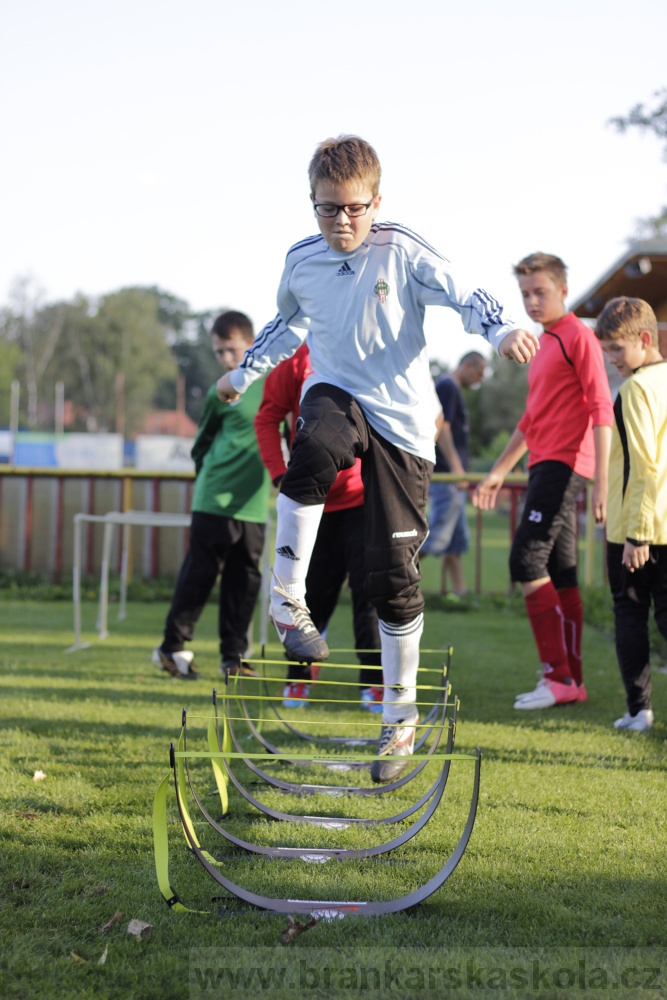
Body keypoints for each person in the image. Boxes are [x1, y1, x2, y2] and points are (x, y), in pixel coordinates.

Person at [216, 135, 537, 781]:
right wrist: (249, 370)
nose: (341, 222)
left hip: (404, 426)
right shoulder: (301, 260)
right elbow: (288, 323)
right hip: (335, 392)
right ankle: (286, 599)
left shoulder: (403, 249)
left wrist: (501, 329)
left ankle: (399, 718)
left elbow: (466, 292)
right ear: (311, 204)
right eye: (328, 209)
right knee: (313, 448)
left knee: (393, 577)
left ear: (376, 201)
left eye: (354, 209)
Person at [473, 253, 613, 710]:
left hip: (565, 466)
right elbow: (531, 419)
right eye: (526, 294)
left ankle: (556, 676)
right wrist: (498, 470)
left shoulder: (579, 338)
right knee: (562, 572)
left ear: (563, 291)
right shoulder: (543, 343)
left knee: (526, 559)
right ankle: (571, 680)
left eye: (541, 292)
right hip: (542, 464)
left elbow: (601, 409)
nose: (532, 301)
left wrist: (603, 484)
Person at [255, 343, 383, 711]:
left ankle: (375, 682)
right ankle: (299, 676)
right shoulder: (295, 359)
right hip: (313, 502)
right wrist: (281, 474)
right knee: (309, 594)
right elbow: (267, 419)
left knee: (370, 593)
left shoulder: (367, 348)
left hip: (363, 499)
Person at [152, 311, 269, 679]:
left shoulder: (274, 384)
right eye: (218, 352)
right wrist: (210, 486)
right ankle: (171, 649)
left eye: (231, 350)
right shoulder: (223, 389)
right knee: (199, 576)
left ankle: (233, 657)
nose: (225, 359)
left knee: (244, 581)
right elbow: (201, 445)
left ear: (250, 345)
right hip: (214, 500)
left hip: (254, 504)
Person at [595, 296, 667, 732]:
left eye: (618, 349)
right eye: (606, 351)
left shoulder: (638, 388)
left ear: (645, 339)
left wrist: (637, 536)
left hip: (636, 529)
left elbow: (645, 465)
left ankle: (639, 712)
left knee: (630, 613)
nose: (613, 360)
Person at [421, 351, 486, 598]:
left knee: (455, 541)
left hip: (453, 478)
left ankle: (460, 594)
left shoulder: (452, 388)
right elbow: (443, 427)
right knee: (437, 535)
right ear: (467, 365)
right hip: (447, 476)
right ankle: (394, 580)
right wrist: (458, 471)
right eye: (478, 373)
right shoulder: (447, 386)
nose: (479, 379)